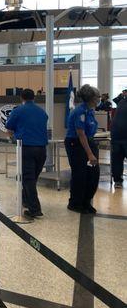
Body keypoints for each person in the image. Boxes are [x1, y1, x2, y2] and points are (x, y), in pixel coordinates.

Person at [5, 89, 48, 218]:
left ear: (21, 98)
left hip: (26, 148)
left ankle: (35, 209)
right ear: (34, 97)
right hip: (41, 149)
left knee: (28, 179)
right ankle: (26, 200)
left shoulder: (18, 111)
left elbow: (9, 127)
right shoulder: (42, 112)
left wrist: (13, 138)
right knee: (32, 178)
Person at [64, 84, 101, 214]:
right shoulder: (79, 111)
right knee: (80, 174)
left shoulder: (90, 110)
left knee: (93, 174)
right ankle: (75, 203)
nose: (99, 99)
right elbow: (81, 134)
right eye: (97, 97)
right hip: (76, 144)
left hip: (88, 141)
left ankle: (86, 201)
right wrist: (90, 154)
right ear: (90, 98)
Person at [110, 99, 127, 188]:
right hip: (124, 135)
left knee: (117, 159)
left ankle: (117, 181)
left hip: (116, 135)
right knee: (117, 159)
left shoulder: (121, 102)